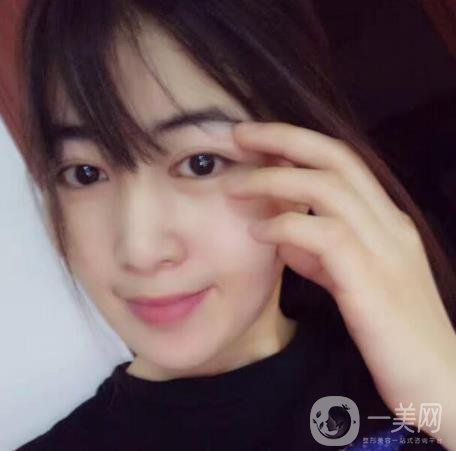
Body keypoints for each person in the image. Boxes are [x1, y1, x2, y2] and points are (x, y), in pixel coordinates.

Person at [15, 1, 456, 450]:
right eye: (84, 173)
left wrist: (443, 387)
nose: (140, 251)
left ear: (298, 167)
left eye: (201, 163)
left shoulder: (426, 363)